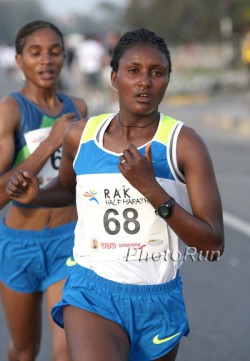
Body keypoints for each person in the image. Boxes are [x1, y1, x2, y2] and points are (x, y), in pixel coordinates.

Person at [5, 28, 224, 361]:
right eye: (133, 71)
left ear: (168, 78)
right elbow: (67, 188)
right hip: (92, 290)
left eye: (157, 73)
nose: (144, 82)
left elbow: (212, 244)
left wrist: (152, 191)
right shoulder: (82, 135)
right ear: (113, 77)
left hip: (157, 297)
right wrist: (36, 196)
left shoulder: (184, 144)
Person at [0, 20, 87, 361]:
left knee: (66, 352)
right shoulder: (9, 112)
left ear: (65, 57)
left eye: (54, 52)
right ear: (19, 60)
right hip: (21, 245)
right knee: (24, 350)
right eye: (35, 53)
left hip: (69, 239)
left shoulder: (78, 108)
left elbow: (79, 181)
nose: (46, 61)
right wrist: (51, 142)